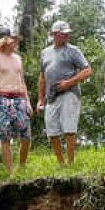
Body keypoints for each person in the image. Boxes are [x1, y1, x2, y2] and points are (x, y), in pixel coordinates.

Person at [37, 20, 91, 165]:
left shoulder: (73, 50)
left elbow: (87, 71)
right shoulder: (45, 53)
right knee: (52, 131)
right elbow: (42, 77)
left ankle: (71, 163)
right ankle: (62, 164)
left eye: (68, 34)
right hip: (51, 97)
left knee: (69, 129)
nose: (67, 37)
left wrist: (68, 83)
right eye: (64, 34)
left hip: (70, 93)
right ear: (54, 34)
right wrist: (40, 100)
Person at [0, 28, 32, 174]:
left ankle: (21, 167)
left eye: (17, 39)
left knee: (26, 134)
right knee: (5, 137)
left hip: (19, 98)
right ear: (5, 40)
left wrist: (28, 102)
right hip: (1, 99)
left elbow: (22, 82)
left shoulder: (18, 58)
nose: (16, 42)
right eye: (13, 39)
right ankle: (11, 172)